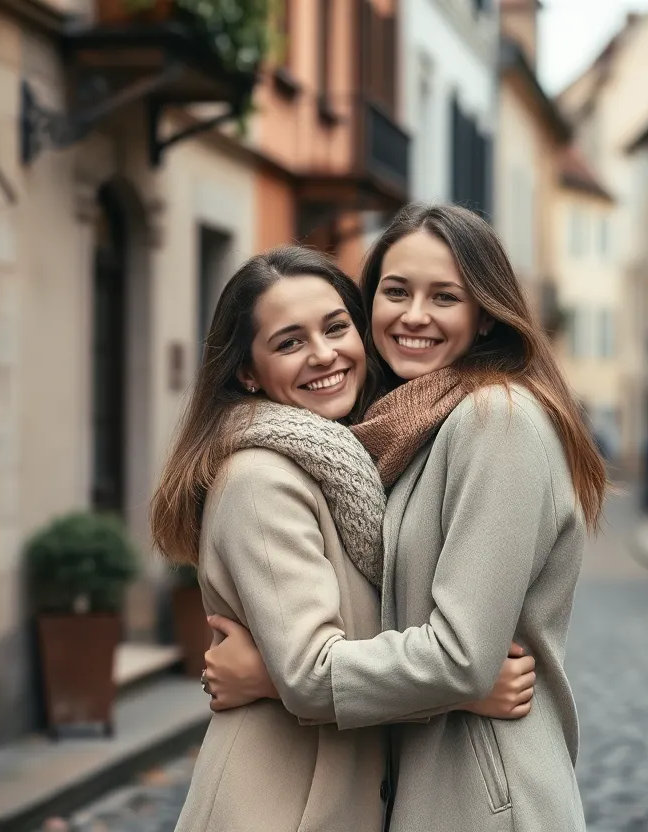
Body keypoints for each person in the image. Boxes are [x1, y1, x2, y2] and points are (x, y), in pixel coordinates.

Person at [203, 205, 608, 832]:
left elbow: (462, 656)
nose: (414, 315)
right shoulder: (402, 436)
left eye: (444, 296)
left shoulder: (493, 420)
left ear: (482, 315)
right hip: (428, 787)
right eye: (396, 291)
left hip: (483, 796)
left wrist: (275, 679)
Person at [150, 246, 533, 832]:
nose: (324, 354)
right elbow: (309, 672)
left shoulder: (352, 466)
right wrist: (461, 689)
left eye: (335, 328)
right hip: (279, 805)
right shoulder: (261, 479)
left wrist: (263, 675)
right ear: (247, 372)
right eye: (289, 342)